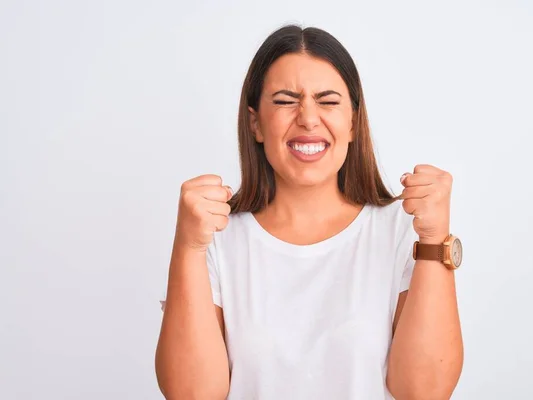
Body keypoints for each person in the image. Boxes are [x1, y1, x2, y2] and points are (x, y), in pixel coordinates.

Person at [155, 24, 464, 400]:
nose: (308, 118)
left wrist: (434, 241)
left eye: (328, 101)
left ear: (353, 121)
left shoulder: (401, 231)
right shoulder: (214, 239)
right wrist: (187, 248)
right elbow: (190, 394)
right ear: (255, 122)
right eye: (286, 101)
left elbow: (424, 392)